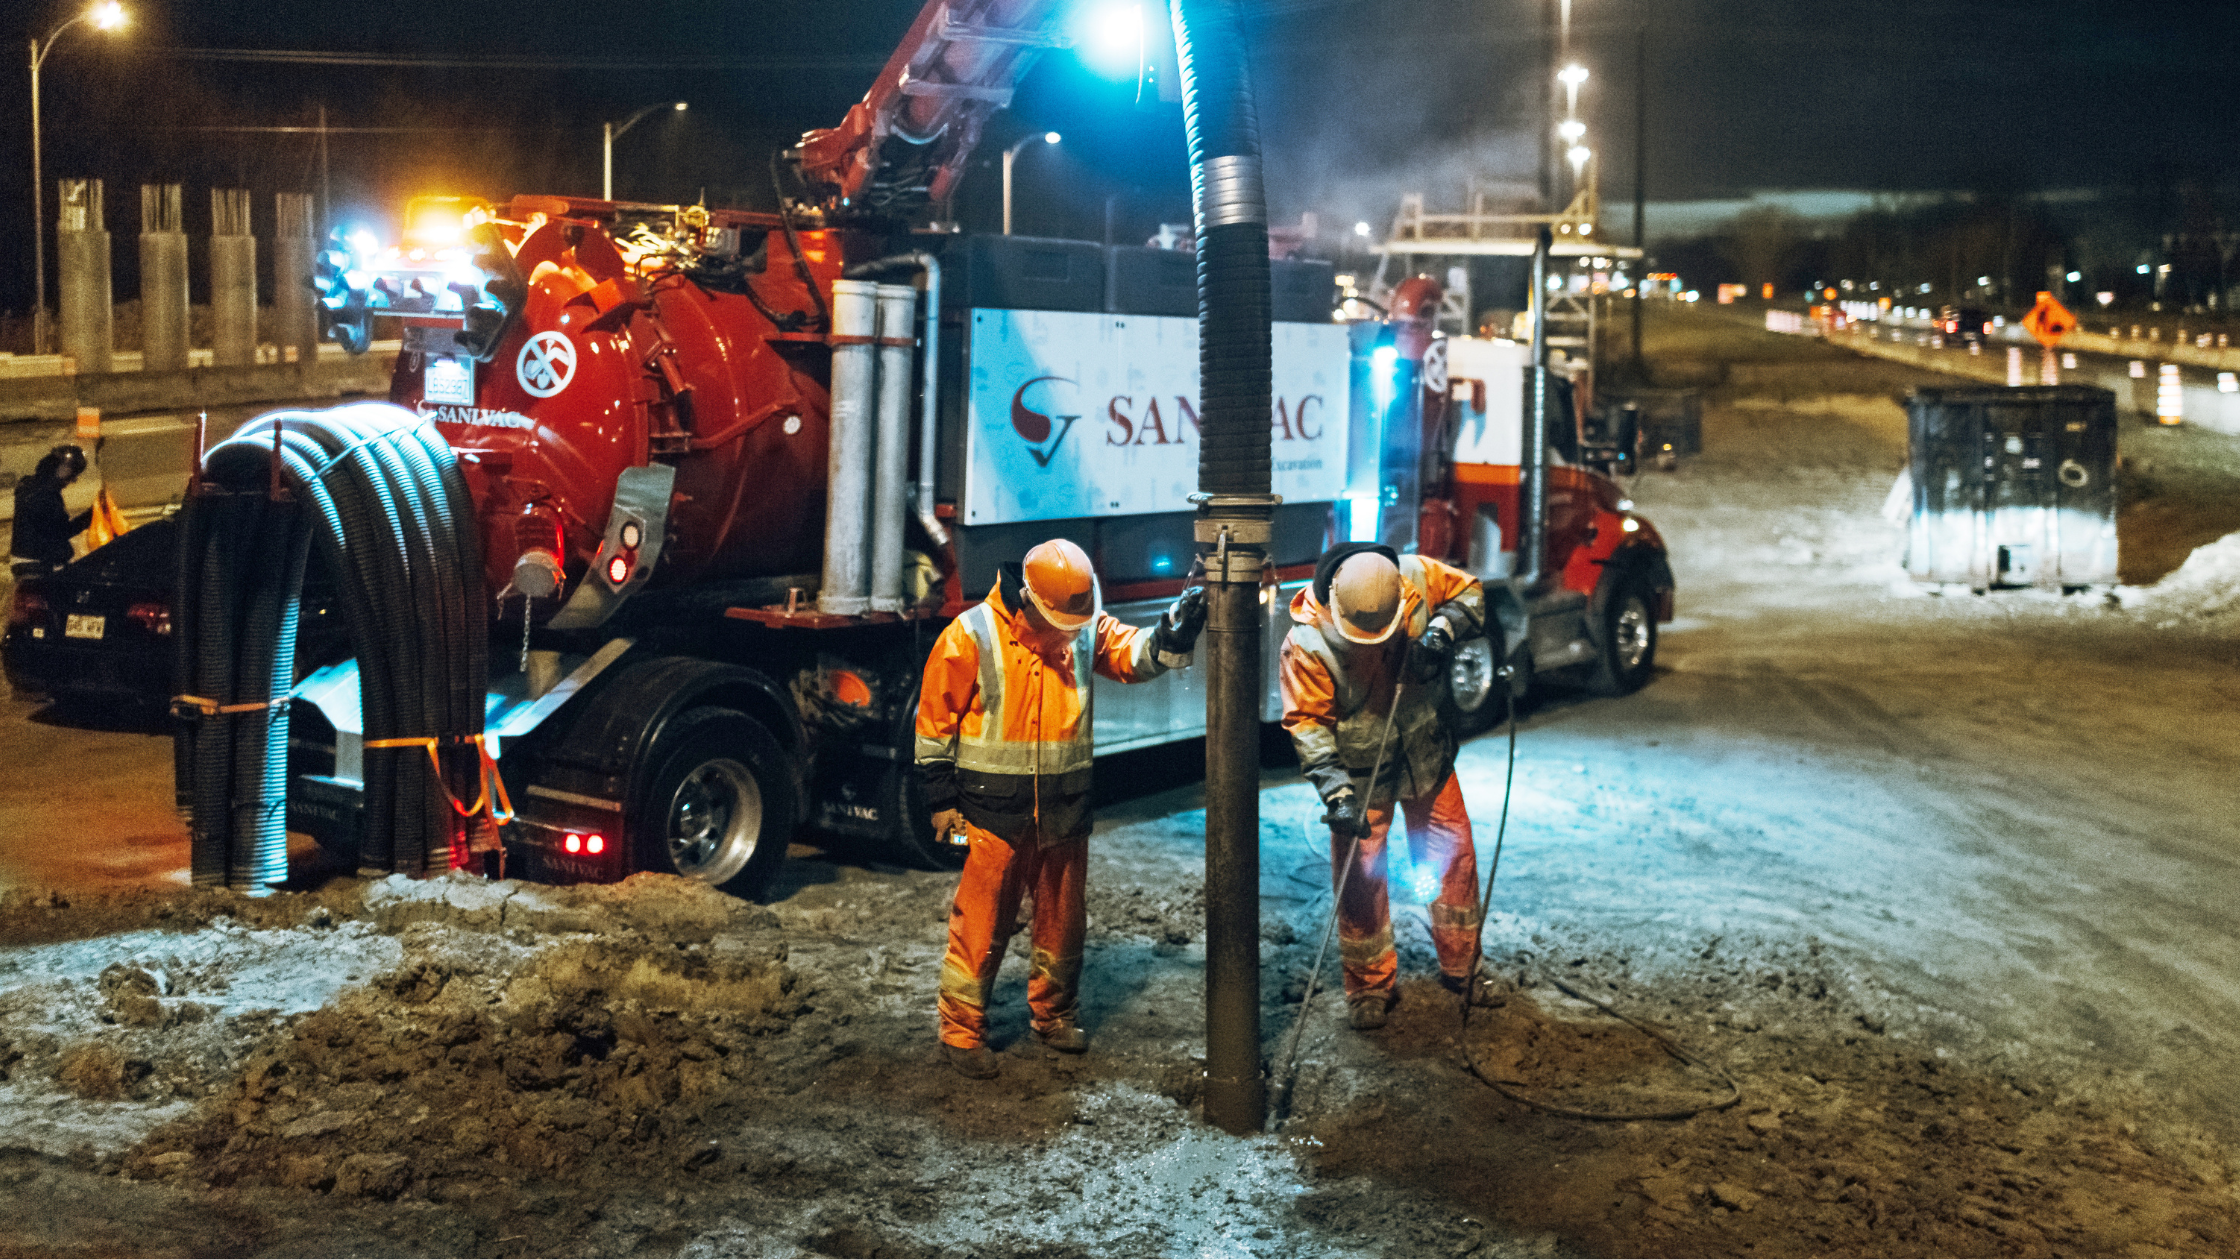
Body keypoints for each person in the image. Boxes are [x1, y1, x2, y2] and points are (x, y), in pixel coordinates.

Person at [915, 538, 1206, 1078]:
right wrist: (940, 801)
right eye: (1063, 623)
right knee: (980, 923)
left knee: (1063, 923)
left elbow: (1136, 655)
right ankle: (960, 1030)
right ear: (1028, 601)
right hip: (993, 811)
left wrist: (1174, 630)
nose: (1072, 634)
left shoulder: (1080, 626)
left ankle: (1055, 1015)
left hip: (1064, 808)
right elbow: (935, 723)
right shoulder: (972, 635)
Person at [1279, 542, 1490, 1030]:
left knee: (1452, 856)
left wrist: (1441, 629)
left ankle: (1464, 967)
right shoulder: (1308, 642)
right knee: (1361, 875)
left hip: (1426, 753)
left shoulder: (1414, 575)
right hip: (1359, 775)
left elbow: (1471, 594)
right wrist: (1336, 792)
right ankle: (1369, 985)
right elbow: (1307, 723)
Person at [9, 444, 91, 578]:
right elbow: (61, 531)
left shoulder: (31, 486)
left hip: (31, 562)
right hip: (38, 566)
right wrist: (90, 516)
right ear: (60, 469)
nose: (73, 480)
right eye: (71, 474)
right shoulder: (44, 495)